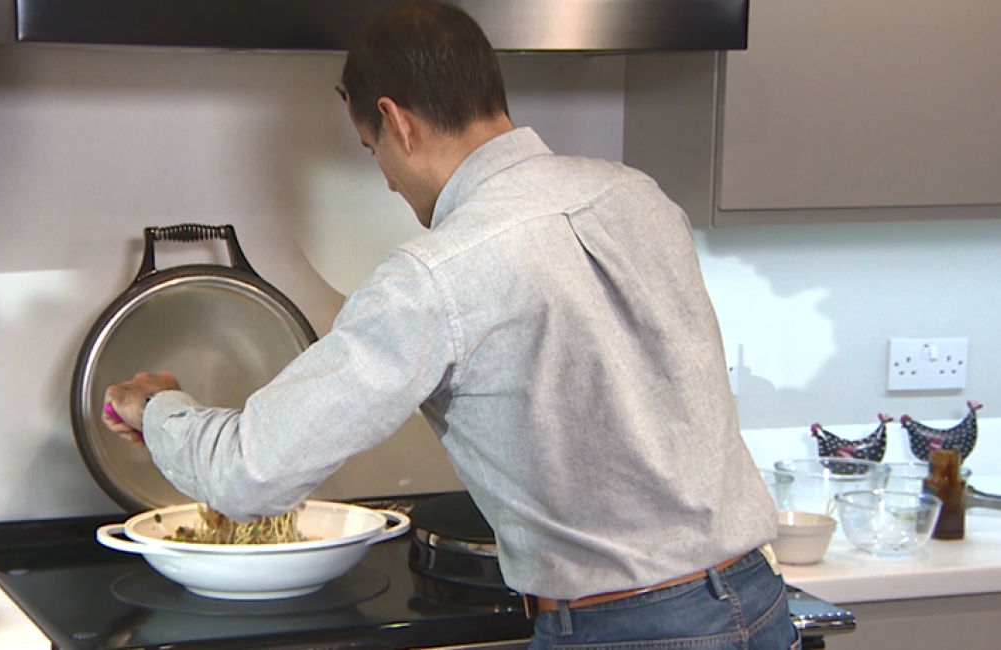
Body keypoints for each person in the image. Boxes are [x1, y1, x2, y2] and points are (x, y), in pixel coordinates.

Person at [103, 1, 798, 648]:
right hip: (758, 604)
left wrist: (158, 406)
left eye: (372, 151)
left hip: (627, 631)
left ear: (396, 120)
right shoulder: (637, 196)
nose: (386, 182)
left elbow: (251, 474)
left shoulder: (438, 276)